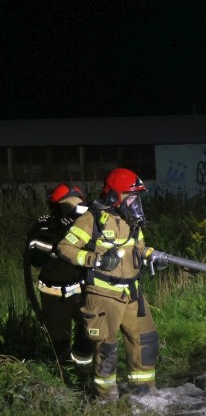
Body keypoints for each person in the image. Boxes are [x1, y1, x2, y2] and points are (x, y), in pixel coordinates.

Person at [57, 168, 161, 401]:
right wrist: (95, 259)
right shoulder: (91, 219)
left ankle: (145, 396)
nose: (136, 202)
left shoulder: (132, 221)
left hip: (132, 293)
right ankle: (107, 400)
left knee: (146, 341)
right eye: (131, 196)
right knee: (107, 349)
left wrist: (151, 254)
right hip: (103, 294)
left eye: (137, 196)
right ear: (114, 196)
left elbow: (140, 248)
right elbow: (65, 248)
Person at [24, 183, 94, 371]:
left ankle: (84, 371)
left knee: (90, 330)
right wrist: (57, 235)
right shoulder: (44, 227)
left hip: (81, 291)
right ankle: (64, 375)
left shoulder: (85, 225)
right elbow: (35, 259)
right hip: (53, 295)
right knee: (59, 339)